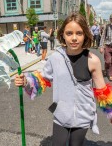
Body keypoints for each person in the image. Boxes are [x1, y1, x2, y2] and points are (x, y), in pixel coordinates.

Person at [15, 13, 112, 146]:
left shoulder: (93, 60)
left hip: (83, 114)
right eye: (69, 33)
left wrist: (111, 112)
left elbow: (102, 91)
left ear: (85, 35)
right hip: (61, 114)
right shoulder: (55, 58)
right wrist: (25, 81)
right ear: (62, 35)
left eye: (79, 33)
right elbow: (42, 79)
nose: (74, 38)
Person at [99, 14, 112, 80]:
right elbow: (103, 37)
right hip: (107, 46)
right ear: (110, 19)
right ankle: (106, 69)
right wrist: (101, 46)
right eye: (111, 18)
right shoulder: (107, 27)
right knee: (108, 61)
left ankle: (110, 74)